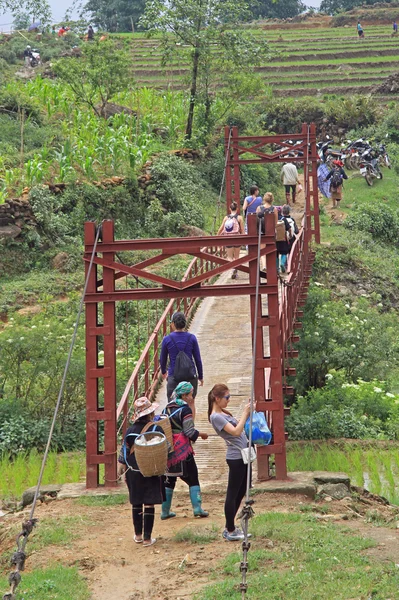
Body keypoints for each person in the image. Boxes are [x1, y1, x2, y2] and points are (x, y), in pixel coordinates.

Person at [117, 397, 165, 547]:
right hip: (151, 469)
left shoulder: (130, 431)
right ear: (150, 414)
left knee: (136, 501)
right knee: (149, 503)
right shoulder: (157, 429)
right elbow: (167, 449)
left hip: (133, 470)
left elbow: (124, 451)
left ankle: (137, 535)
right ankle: (147, 538)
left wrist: (121, 467)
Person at [208, 383, 252, 541]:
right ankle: (230, 529)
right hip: (235, 457)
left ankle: (230, 525)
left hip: (243, 455)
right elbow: (236, 431)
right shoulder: (216, 417)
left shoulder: (223, 413)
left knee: (241, 491)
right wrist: (245, 414)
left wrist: (249, 409)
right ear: (217, 398)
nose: (229, 400)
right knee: (232, 494)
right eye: (226, 397)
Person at [161, 381, 209, 520]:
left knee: (169, 479)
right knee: (193, 477)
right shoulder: (185, 409)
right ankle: (197, 508)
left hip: (169, 449)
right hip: (182, 450)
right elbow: (189, 432)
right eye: (190, 394)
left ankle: (165, 511)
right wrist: (201, 434)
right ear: (184, 395)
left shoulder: (167, 408)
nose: (192, 397)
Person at [160, 311, 203, 403]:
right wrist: (200, 376)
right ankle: (190, 418)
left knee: (173, 404)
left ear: (173, 324)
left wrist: (164, 371)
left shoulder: (167, 339)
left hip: (174, 377)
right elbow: (197, 359)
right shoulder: (192, 338)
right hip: (190, 376)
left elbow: (162, 359)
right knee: (190, 403)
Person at [217, 201, 244, 280]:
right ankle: (236, 270)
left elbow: (221, 229)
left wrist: (217, 236)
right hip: (237, 239)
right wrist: (244, 239)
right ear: (237, 209)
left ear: (229, 209)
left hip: (228, 239)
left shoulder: (226, 218)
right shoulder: (239, 218)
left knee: (229, 257)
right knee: (237, 257)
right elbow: (242, 230)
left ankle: (232, 269)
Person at [256, 192, 278, 271]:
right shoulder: (274, 209)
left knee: (262, 250)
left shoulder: (259, 208)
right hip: (271, 232)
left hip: (261, 231)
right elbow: (276, 222)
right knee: (271, 250)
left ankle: (264, 265)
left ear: (264, 199)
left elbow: (257, 220)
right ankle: (272, 267)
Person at [276, 205, 298, 274]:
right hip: (285, 239)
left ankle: (277, 268)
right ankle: (284, 264)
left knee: (276, 253)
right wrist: (291, 235)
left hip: (275, 239)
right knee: (285, 252)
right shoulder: (289, 219)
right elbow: (293, 230)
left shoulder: (274, 220)